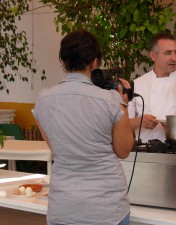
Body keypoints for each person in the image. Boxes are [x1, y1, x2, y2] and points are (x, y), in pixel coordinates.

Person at [33, 30, 134, 225]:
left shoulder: (43, 99)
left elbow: (56, 147)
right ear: (95, 62)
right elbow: (123, 150)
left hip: (63, 207)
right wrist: (124, 105)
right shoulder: (111, 100)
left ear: (64, 61)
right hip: (106, 208)